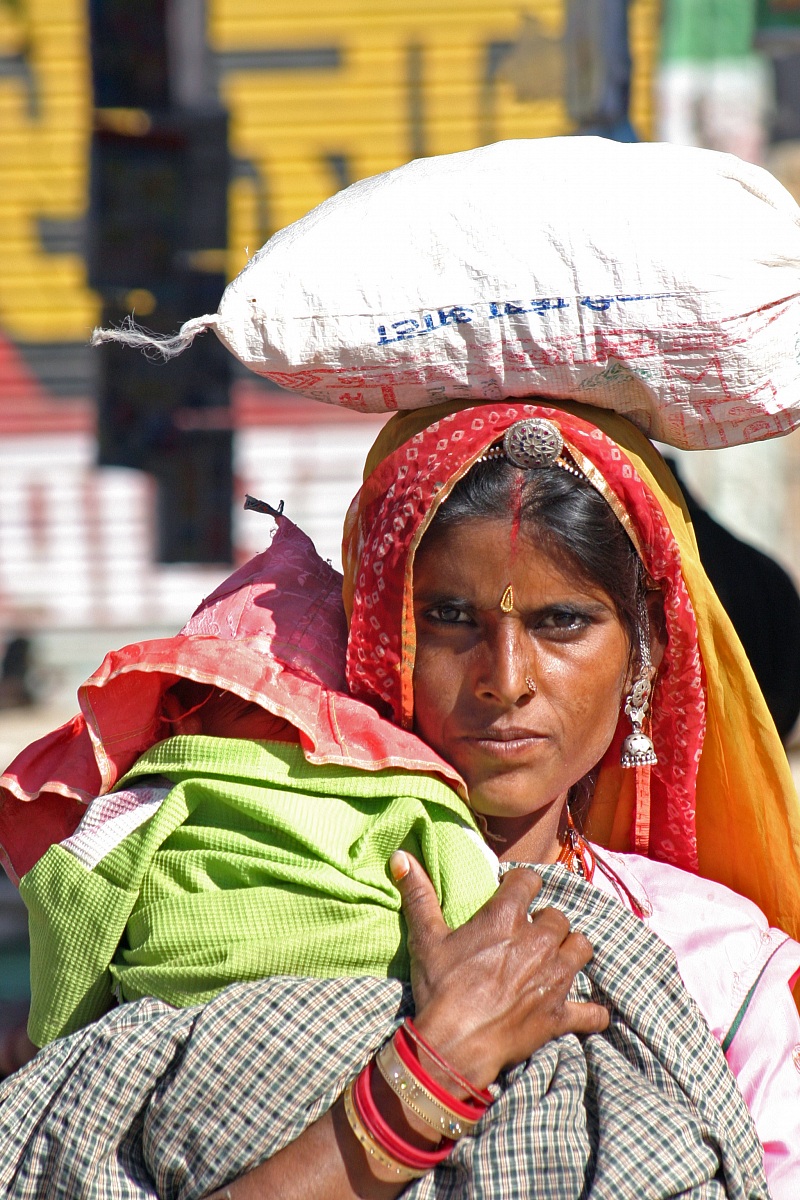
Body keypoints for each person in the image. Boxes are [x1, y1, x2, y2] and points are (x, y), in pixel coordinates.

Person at [0, 399, 798, 1198]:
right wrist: (431, 1074)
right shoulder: (231, 890)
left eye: (562, 622)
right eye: (449, 617)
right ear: (383, 635)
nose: (505, 678)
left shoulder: (718, 966)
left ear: (645, 652)